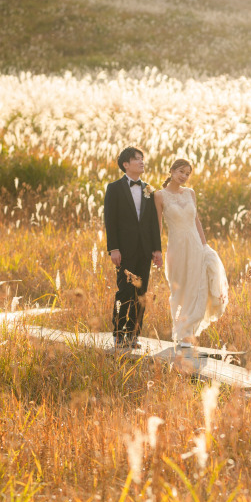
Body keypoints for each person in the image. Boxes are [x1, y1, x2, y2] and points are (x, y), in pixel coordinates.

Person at [154, 158, 228, 346]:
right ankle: (180, 331)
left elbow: (197, 221)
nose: (184, 176)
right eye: (181, 172)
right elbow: (158, 226)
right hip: (176, 249)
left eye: (187, 174)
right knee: (179, 290)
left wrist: (204, 246)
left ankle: (187, 334)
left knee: (198, 288)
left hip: (195, 246)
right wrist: (157, 251)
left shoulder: (190, 193)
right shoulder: (159, 196)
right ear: (171, 171)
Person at [104, 147, 163, 350]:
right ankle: (119, 335)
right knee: (125, 291)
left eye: (142, 159)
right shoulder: (114, 188)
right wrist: (113, 248)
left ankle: (134, 334)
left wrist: (157, 249)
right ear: (126, 164)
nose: (141, 162)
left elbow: (153, 222)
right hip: (124, 249)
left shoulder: (148, 189)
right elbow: (110, 221)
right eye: (136, 159)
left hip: (145, 249)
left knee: (141, 292)